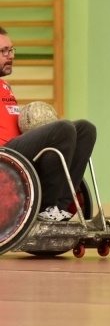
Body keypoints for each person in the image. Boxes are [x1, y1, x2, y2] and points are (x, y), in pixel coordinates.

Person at [0, 25, 97, 221]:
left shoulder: (4, 86)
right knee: (63, 129)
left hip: (20, 153)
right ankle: (45, 208)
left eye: (11, 49)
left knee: (85, 129)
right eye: (3, 51)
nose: (10, 55)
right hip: (5, 158)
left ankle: (60, 209)